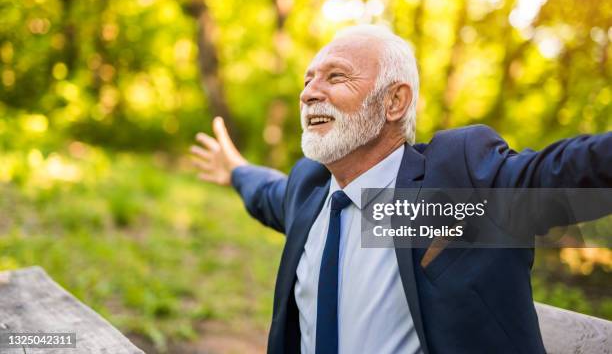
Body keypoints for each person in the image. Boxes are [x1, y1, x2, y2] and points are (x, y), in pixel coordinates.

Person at [190, 25, 612, 354]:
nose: (309, 94)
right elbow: (268, 193)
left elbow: (561, 173)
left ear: (394, 102)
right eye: (307, 80)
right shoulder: (311, 188)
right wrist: (236, 170)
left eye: (335, 76)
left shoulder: (446, 187)